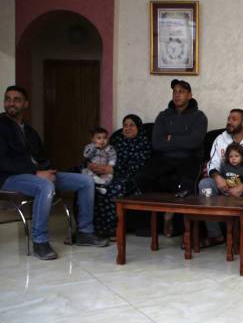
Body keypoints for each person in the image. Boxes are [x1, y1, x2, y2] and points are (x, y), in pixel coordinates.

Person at [0, 85, 108, 260]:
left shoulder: (30, 131)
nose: (11, 103)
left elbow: (43, 157)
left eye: (16, 99)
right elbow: (3, 161)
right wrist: (36, 173)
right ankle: (40, 242)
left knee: (86, 181)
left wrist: (48, 169)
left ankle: (84, 233)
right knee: (45, 185)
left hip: (36, 174)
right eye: (8, 99)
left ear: (25, 104)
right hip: (9, 178)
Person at [135, 79, 207, 235]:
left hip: (190, 158)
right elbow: (157, 143)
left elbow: (194, 142)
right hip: (165, 158)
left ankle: (184, 230)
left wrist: (171, 138)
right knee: (142, 176)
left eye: (181, 91)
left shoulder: (199, 117)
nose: (177, 95)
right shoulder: (163, 116)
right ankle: (154, 223)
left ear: (189, 95)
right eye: (175, 91)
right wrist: (182, 140)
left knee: (186, 185)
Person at [198, 108, 243, 246]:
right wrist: (218, 178)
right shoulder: (220, 139)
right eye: (229, 119)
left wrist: (242, 186)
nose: (229, 122)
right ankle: (215, 235)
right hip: (223, 184)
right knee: (204, 184)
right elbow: (212, 164)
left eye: (234, 119)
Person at [93, 114, 151, 237]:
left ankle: (113, 228)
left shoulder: (143, 143)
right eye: (125, 125)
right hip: (109, 173)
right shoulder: (116, 141)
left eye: (131, 125)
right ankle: (96, 227)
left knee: (115, 187)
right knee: (92, 185)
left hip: (129, 176)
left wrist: (114, 171)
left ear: (138, 127)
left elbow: (138, 165)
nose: (127, 128)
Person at [82, 127, 117, 194]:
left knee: (110, 176)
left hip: (104, 168)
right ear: (93, 140)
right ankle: (95, 181)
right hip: (93, 168)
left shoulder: (110, 148)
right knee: (85, 171)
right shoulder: (89, 147)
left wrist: (110, 165)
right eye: (99, 138)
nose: (102, 140)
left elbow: (113, 157)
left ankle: (101, 186)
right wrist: (94, 148)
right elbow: (86, 156)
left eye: (105, 138)